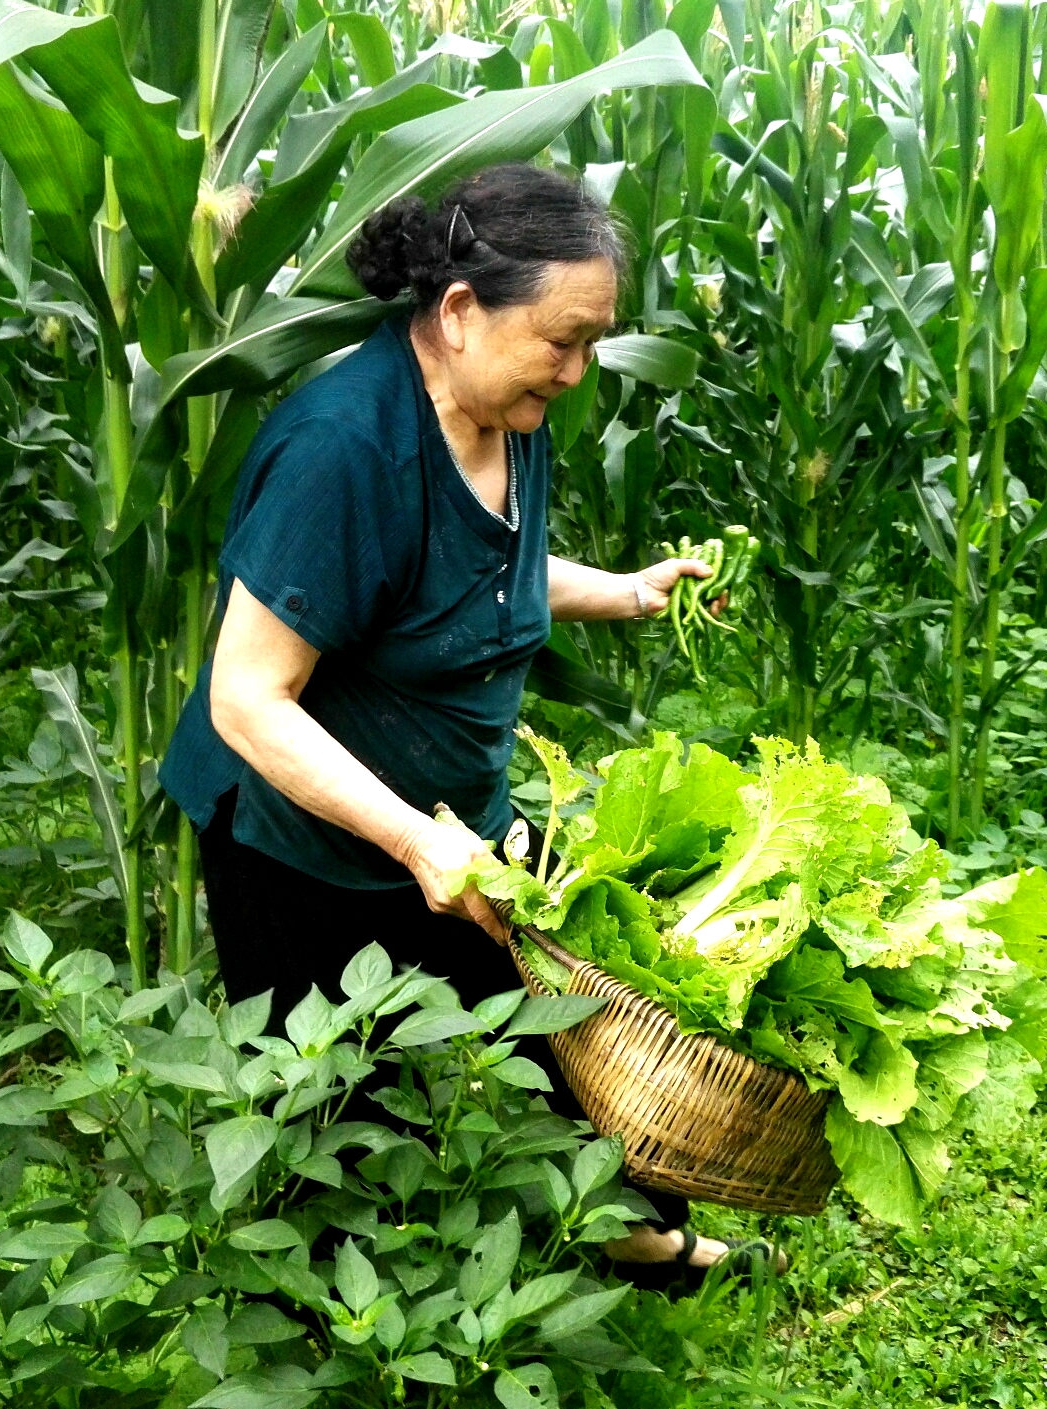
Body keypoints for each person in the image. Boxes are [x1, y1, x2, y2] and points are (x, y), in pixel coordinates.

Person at [160, 163, 781, 1284]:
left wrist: (624, 589)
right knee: (329, 1115)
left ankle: (623, 1236)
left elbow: (466, 567)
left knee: (576, 1029)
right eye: (563, 338)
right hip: (299, 847)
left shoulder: (505, 407)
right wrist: (413, 840)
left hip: (455, 823)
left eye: (594, 341)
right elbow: (245, 699)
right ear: (457, 314)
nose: (580, 370)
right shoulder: (341, 451)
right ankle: (337, 1338)